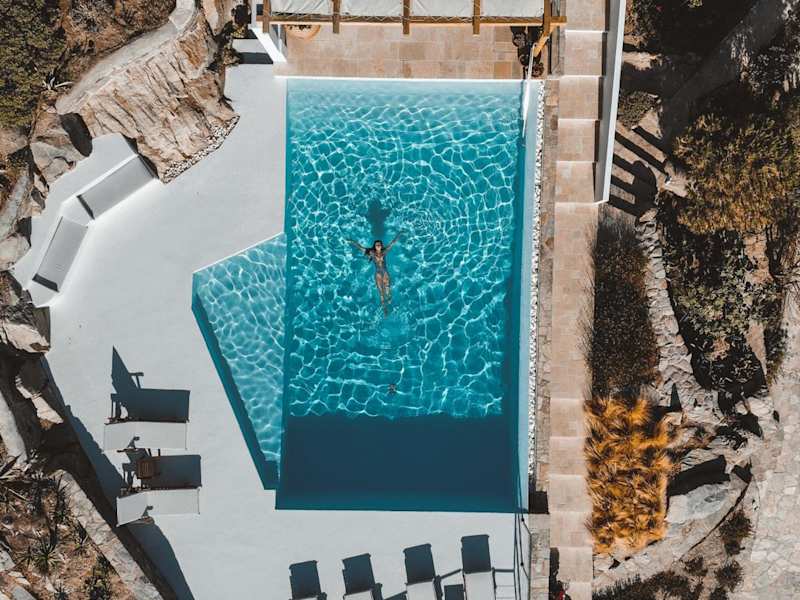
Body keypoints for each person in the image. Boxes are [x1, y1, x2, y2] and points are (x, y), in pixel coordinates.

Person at [345, 231, 402, 315]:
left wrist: (399, 234)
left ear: (381, 246)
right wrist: (352, 242)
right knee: (381, 293)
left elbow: (392, 243)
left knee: (388, 290)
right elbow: (360, 247)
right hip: (378, 274)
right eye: (376, 245)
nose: (378, 246)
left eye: (379, 245)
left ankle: (390, 304)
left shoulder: (384, 252)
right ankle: (385, 309)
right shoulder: (372, 253)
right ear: (374, 246)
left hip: (385, 273)